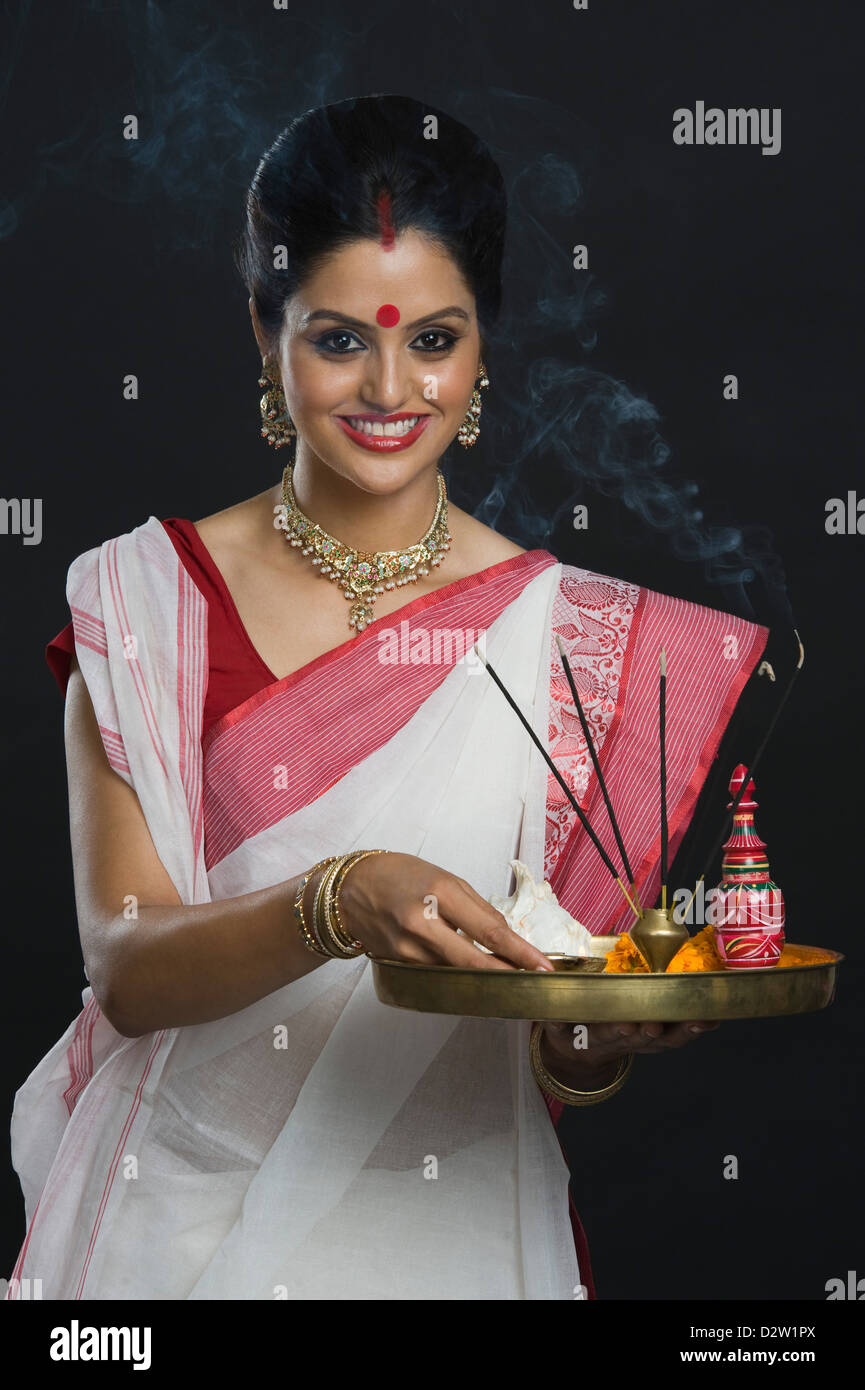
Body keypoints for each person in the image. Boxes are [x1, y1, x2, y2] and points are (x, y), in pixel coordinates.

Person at [6, 94, 768, 1301]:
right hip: (174, 1238)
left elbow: (546, 1030)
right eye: (338, 338)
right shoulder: (149, 601)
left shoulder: (565, 637)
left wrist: (591, 1041)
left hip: (454, 1236)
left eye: (432, 340)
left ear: (482, 349)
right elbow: (129, 970)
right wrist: (338, 897)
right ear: (266, 332)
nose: (389, 389)